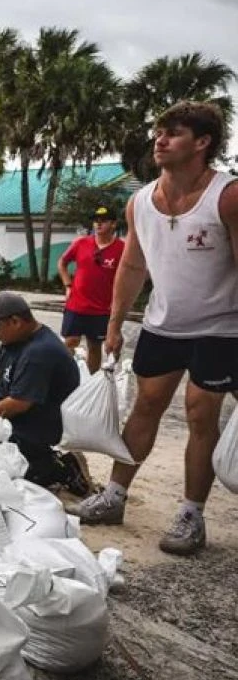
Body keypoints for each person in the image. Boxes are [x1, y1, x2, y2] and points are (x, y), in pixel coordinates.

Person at [69, 101, 238, 556]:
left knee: (202, 412)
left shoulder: (228, 196)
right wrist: (114, 322)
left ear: (202, 143)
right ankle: (115, 495)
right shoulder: (140, 201)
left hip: (221, 329)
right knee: (145, 408)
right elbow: (133, 264)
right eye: (159, 132)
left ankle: (191, 513)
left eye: (174, 133)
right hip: (164, 324)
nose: (160, 141)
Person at [0, 292, 90, 494]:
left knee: (11, 474)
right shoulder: (14, 341)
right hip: (17, 419)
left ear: (15, 321)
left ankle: (60, 468)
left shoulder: (39, 352)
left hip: (37, 428)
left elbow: (19, 403)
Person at [57, 205, 125, 374]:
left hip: (101, 309)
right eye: (96, 221)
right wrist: (68, 285)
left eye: (103, 221)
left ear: (113, 224)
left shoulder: (121, 249)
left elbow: (128, 276)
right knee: (70, 341)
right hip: (76, 305)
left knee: (94, 346)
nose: (98, 224)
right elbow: (62, 263)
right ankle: (61, 376)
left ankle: (90, 379)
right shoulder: (81, 243)